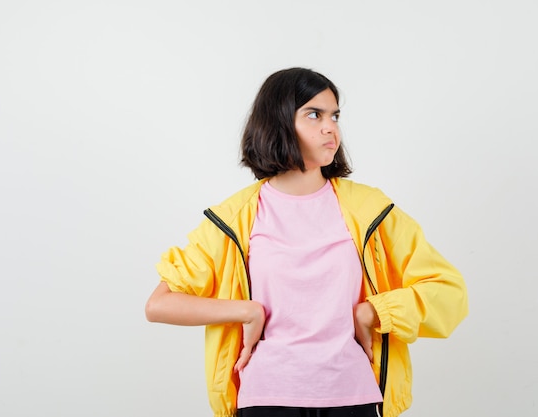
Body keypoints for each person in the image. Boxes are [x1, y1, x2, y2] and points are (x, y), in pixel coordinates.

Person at [145, 67, 468, 417]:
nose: (330, 127)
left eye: (335, 116)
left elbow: (448, 289)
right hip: (267, 397)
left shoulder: (370, 210)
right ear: (279, 121)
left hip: (352, 393)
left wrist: (374, 311)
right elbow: (160, 304)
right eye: (314, 114)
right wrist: (246, 311)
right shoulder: (233, 219)